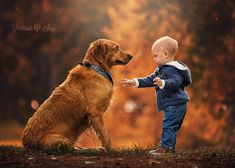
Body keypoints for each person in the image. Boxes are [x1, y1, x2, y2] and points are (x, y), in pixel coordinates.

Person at [121, 36, 192, 155]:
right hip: (175, 104)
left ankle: (166, 149)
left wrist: (163, 83)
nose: (153, 58)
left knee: (168, 126)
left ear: (165, 54)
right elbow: (150, 79)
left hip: (176, 104)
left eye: (155, 55)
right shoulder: (161, 69)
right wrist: (135, 82)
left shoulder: (172, 70)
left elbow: (176, 82)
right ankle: (169, 148)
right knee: (171, 127)